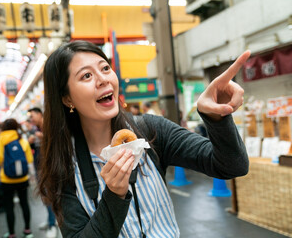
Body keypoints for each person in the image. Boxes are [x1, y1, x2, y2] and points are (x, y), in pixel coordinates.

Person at [38, 40, 250, 237]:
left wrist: (216, 117)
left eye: (105, 68)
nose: (103, 79)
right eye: (86, 76)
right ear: (67, 98)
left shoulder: (150, 131)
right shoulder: (64, 165)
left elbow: (232, 166)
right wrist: (114, 195)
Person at [0, 118, 34, 238]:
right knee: (24, 203)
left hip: (6, 180)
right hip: (23, 179)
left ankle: (12, 233)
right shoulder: (23, 141)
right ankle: (28, 230)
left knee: (9, 207)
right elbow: (30, 159)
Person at [28, 107, 58, 238]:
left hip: (49, 167)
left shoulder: (48, 127)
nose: (31, 119)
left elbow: (56, 143)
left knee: (49, 194)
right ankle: (51, 220)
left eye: (32, 115)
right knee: (44, 195)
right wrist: (31, 143)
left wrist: (44, 137)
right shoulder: (35, 129)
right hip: (39, 166)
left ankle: (52, 224)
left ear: (40, 114)